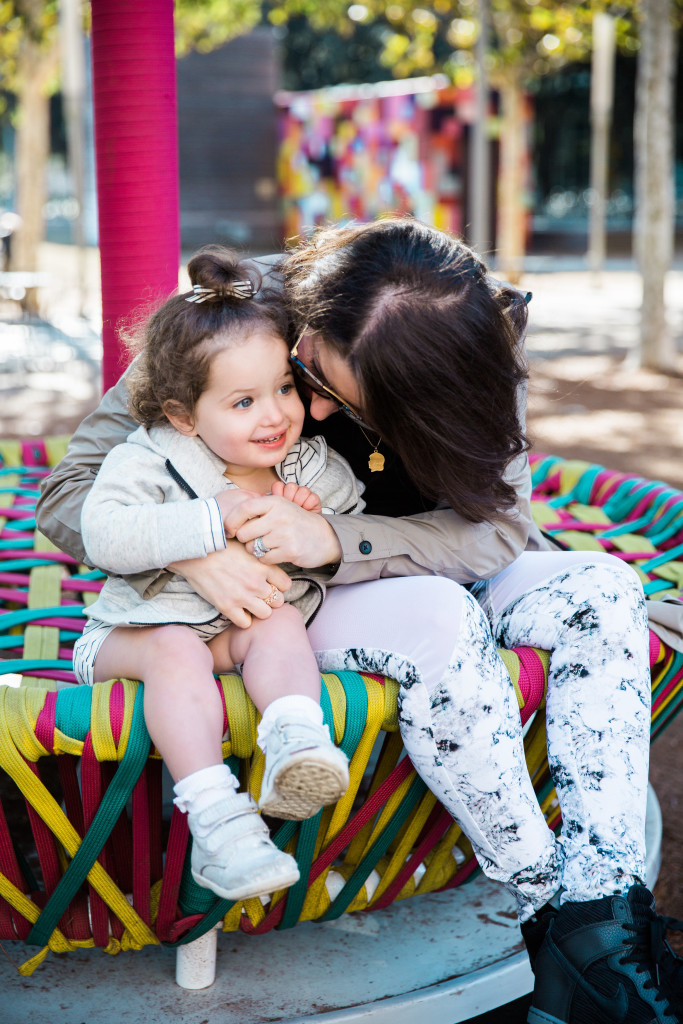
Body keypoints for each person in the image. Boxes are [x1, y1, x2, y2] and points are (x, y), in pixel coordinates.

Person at [37, 218, 681, 1023]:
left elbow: (497, 528)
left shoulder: (476, 337)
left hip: (418, 559)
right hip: (302, 600)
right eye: (313, 376)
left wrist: (338, 534)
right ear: (304, 326)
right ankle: (549, 914)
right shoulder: (229, 319)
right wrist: (202, 544)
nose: (303, 406)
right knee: (441, 617)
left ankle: (600, 936)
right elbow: (71, 495)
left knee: (604, 589)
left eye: (335, 401)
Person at [71, 247, 357, 903]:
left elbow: (348, 514)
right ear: (182, 415)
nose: (275, 415)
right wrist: (210, 518)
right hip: (129, 639)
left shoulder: (302, 464)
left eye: (284, 388)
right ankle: (217, 824)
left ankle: (294, 739)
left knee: (278, 619)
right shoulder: (150, 456)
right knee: (175, 647)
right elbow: (103, 532)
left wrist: (319, 515)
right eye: (243, 401)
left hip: (225, 636)